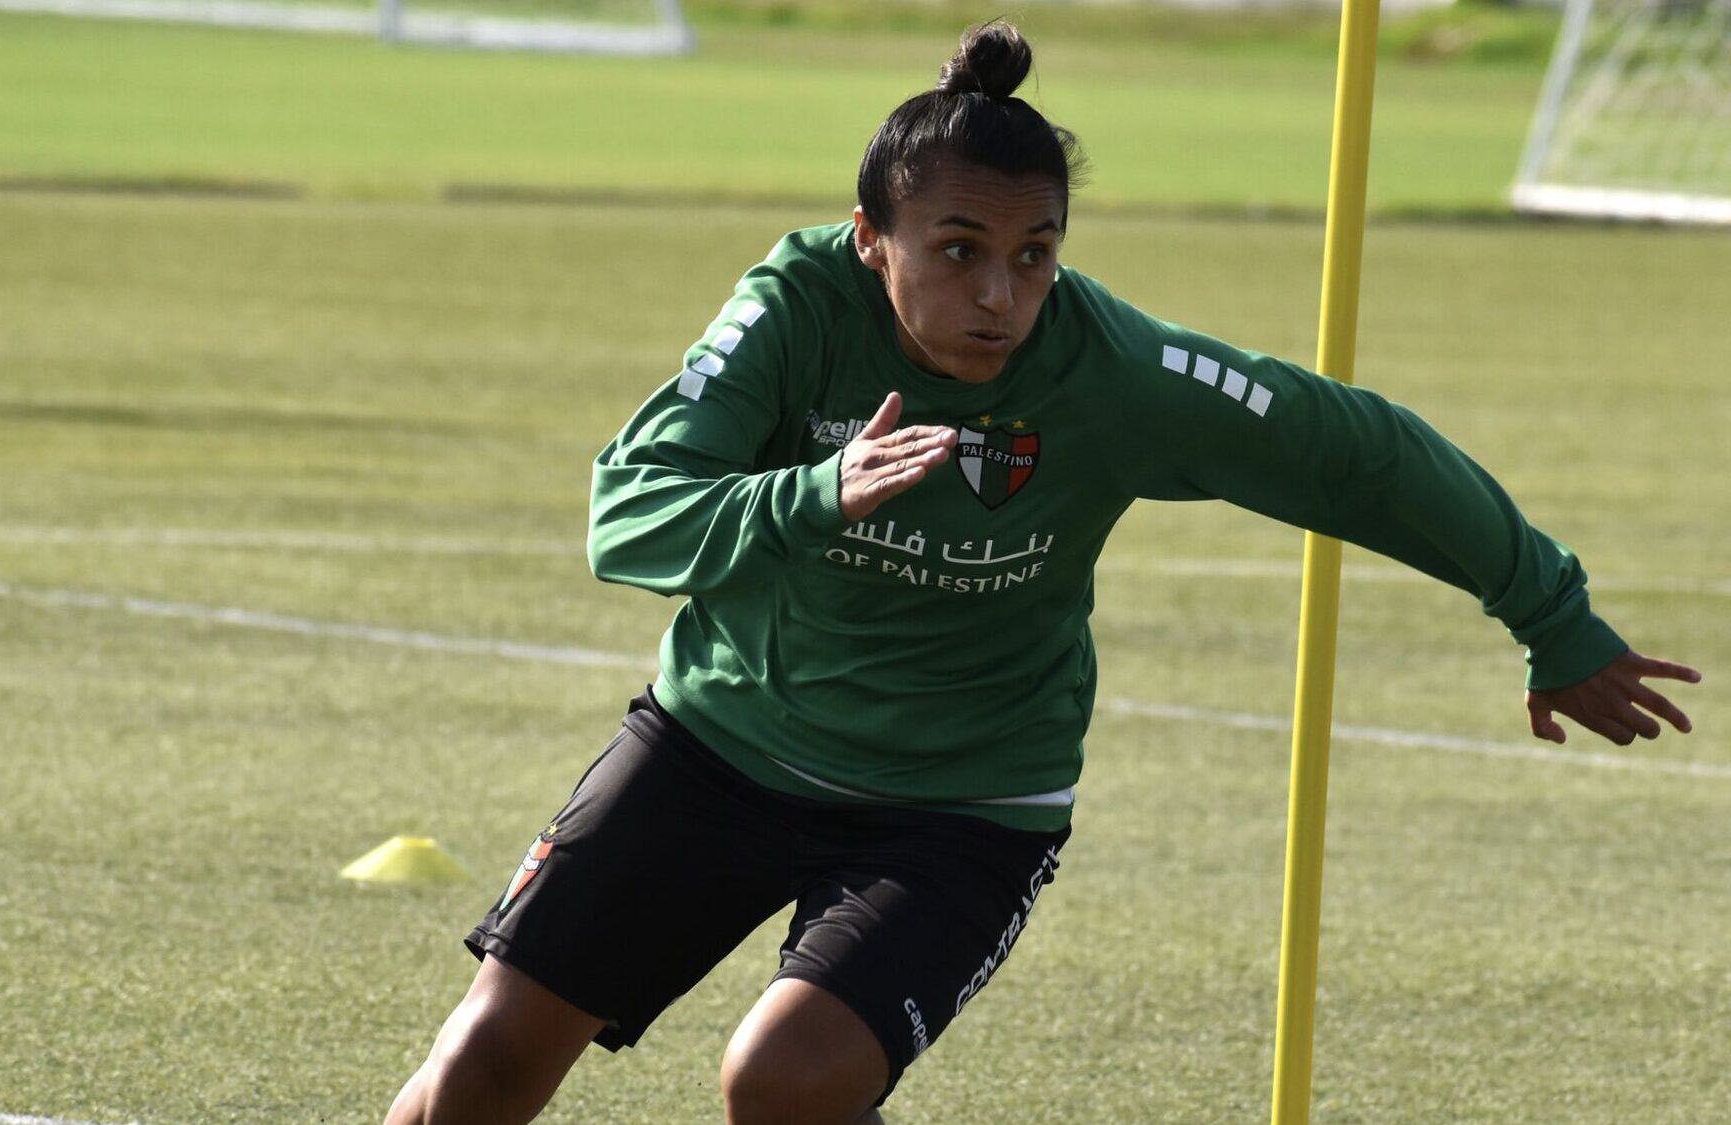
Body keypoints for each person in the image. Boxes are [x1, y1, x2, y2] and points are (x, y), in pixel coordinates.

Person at [384, 21, 1700, 1125]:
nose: (1000, 294)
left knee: (783, 1080)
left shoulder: (1107, 372)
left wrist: (1550, 611)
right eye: (957, 249)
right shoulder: (793, 309)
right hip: (721, 743)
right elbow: (633, 509)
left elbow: (1352, 453)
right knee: (482, 1069)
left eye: (1034, 253)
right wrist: (810, 492)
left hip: (962, 803)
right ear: (870, 237)